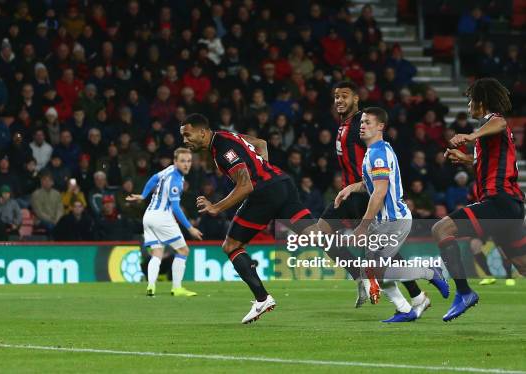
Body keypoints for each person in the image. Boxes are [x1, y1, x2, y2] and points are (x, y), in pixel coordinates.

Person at [181, 113, 316, 324]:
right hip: (282, 182)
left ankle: (262, 298)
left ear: (202, 132)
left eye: (188, 135)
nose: (185, 141)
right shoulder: (227, 136)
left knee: (231, 245)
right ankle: (362, 271)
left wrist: (216, 207)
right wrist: (263, 171)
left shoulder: (222, 150)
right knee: (313, 234)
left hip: (265, 193)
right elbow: (260, 144)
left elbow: (245, 185)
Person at [317, 81, 425, 310]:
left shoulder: (360, 124)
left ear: (356, 99)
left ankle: (414, 297)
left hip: (363, 193)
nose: (339, 100)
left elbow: (378, 157)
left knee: (382, 250)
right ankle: (361, 276)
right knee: (322, 234)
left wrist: (367, 186)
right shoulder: (343, 125)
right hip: (348, 193)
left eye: (344, 96)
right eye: (336, 96)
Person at [335, 107, 449, 322]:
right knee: (372, 270)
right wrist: (351, 188)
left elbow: (380, 192)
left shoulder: (378, 153)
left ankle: (430, 272)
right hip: (383, 222)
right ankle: (405, 309)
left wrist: (362, 226)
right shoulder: (375, 151)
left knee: (377, 271)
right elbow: (371, 184)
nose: (362, 126)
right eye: (361, 122)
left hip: (393, 220)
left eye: (368, 122)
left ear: (380, 126)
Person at [433, 78, 526, 322]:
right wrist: (466, 159)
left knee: (441, 228)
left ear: (481, 102)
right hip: (511, 206)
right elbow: (487, 164)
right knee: (522, 265)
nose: (468, 105)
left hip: (499, 202)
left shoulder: (491, 120)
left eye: (471, 100)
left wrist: (470, 135)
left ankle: (464, 292)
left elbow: (500, 121)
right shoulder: (488, 139)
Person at [126, 148, 203, 297]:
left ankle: (151, 286)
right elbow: (175, 208)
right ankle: (177, 288)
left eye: (189, 161)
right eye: (183, 161)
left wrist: (143, 195)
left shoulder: (168, 170)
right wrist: (190, 228)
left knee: (157, 252)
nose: (186, 164)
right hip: (162, 217)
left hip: (148, 216)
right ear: (175, 162)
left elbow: (154, 178)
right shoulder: (177, 181)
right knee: (183, 250)